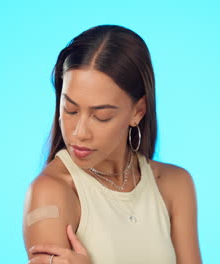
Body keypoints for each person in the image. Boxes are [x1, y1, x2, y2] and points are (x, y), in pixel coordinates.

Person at [22, 25, 202, 264]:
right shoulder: (51, 193)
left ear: (138, 111)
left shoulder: (174, 185)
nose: (79, 132)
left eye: (101, 116)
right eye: (70, 109)